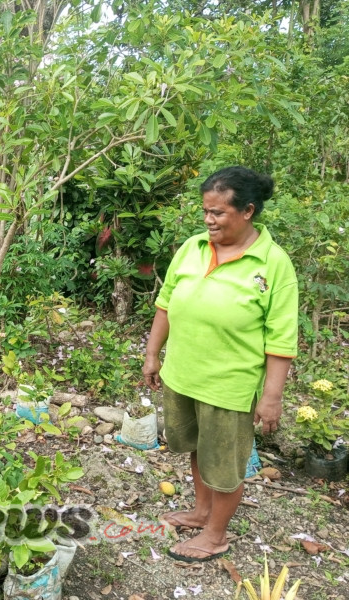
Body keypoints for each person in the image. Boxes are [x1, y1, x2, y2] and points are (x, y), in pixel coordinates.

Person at [142, 166, 298, 563]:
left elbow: (281, 339)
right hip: (183, 375)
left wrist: (272, 397)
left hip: (229, 385)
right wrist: (153, 354)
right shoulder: (192, 247)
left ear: (247, 211)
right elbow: (166, 303)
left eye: (218, 212)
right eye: (205, 211)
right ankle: (201, 512)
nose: (208, 220)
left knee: (225, 465)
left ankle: (215, 536)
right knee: (197, 446)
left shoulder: (273, 264)